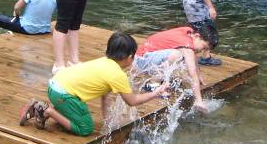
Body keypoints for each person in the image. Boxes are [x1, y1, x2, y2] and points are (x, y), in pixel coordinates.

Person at [20, 32, 169, 136]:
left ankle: (41, 110)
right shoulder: (117, 75)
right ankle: (47, 111)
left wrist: (106, 121)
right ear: (130, 57)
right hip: (63, 95)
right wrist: (156, 92)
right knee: (85, 129)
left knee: (73, 114)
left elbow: (105, 95)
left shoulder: (103, 62)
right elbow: (132, 101)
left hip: (54, 87)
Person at [133, 25, 218, 113]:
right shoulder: (186, 46)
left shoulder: (189, 32)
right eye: (204, 47)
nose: (202, 51)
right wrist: (199, 101)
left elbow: (192, 56)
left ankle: (155, 76)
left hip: (145, 56)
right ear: (196, 36)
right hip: (141, 60)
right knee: (177, 55)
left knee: (182, 59)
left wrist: (199, 74)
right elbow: (192, 72)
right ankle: (152, 84)